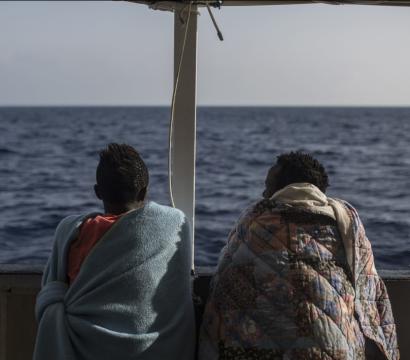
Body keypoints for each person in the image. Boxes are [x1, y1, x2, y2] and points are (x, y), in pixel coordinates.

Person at [199, 151, 399, 360]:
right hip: (333, 348)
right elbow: (369, 287)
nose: (264, 193)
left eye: (268, 186)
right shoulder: (347, 220)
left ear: (281, 188)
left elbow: (225, 276)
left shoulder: (254, 218)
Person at [34, 143, 195, 360]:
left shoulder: (71, 231)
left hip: (82, 347)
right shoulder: (175, 222)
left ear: (97, 192)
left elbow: (54, 285)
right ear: (145, 190)